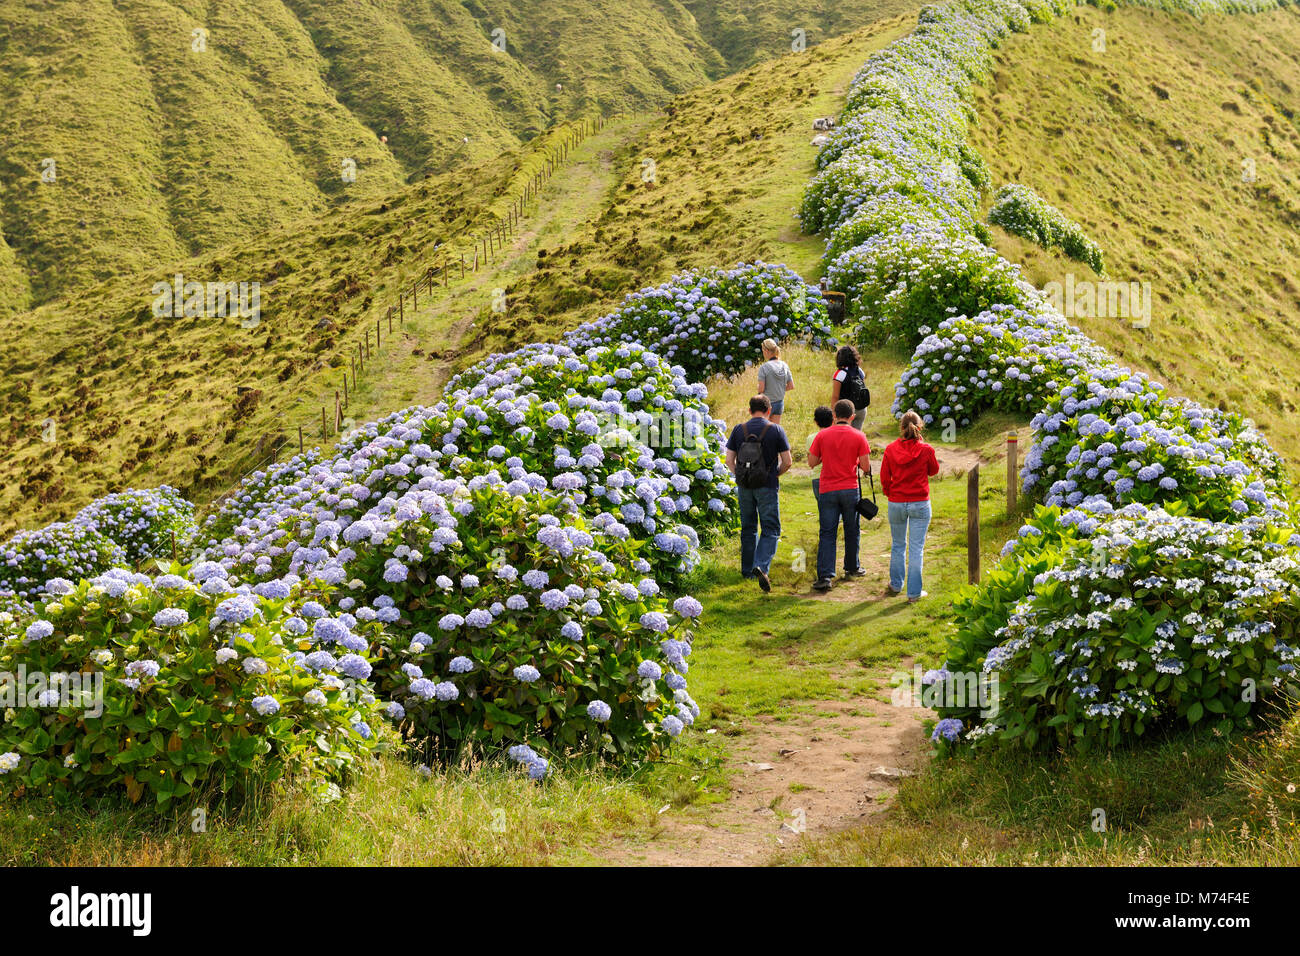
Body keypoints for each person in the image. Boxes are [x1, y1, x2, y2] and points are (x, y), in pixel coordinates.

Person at [726, 395, 792, 592]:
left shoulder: (739, 429)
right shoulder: (775, 429)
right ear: (769, 410)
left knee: (748, 528)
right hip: (767, 486)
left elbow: (729, 459)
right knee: (771, 528)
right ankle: (761, 566)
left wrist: (741, 475)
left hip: (745, 487)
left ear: (749, 410)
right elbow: (787, 461)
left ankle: (747, 570)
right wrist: (773, 475)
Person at [807, 399, 871, 592]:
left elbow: (812, 462)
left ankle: (825, 576)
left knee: (827, 532)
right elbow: (866, 466)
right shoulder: (859, 436)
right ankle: (852, 567)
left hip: (827, 488)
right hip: (850, 488)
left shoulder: (823, 435)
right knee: (852, 529)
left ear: (834, 415)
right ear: (852, 416)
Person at [880, 410, 940, 602]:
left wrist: (891, 493)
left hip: (897, 501)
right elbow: (933, 470)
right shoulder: (926, 449)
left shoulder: (890, 449)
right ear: (919, 427)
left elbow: (884, 477)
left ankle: (896, 584)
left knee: (898, 544)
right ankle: (914, 593)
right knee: (916, 548)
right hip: (920, 502)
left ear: (901, 428)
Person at [830, 345, 869, 431]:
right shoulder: (859, 371)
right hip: (862, 409)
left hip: (846, 411)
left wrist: (833, 414)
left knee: (844, 437)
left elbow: (835, 396)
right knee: (856, 437)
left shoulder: (840, 374)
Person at [756, 339, 794, 424]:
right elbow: (791, 386)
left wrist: (758, 388)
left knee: (763, 431)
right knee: (774, 431)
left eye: (763, 350)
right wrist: (778, 389)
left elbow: (761, 389)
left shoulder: (764, 367)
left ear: (766, 351)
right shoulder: (784, 365)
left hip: (766, 403)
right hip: (779, 403)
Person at [810, 405, 833, 499]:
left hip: (817, 477)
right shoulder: (836, 435)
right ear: (832, 420)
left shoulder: (811, 438)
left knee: (824, 510)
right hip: (835, 476)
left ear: (815, 421)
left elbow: (811, 463)